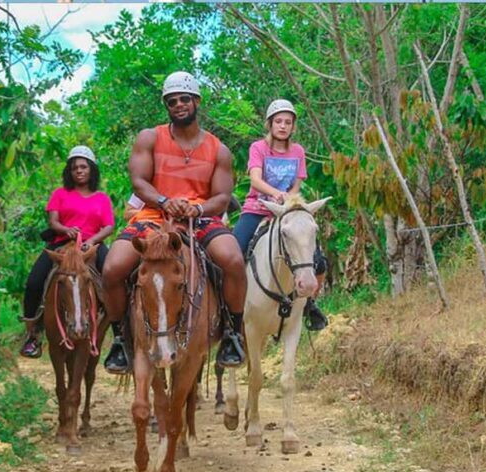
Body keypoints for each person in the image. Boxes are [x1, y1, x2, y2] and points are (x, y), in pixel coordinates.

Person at [101, 71, 248, 374]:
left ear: (196, 101)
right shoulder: (150, 138)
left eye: (184, 99)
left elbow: (221, 197)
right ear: (167, 106)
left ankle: (233, 334)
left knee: (233, 259)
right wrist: (165, 202)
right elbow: (139, 181)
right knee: (113, 268)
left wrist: (196, 208)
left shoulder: (219, 149)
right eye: (172, 101)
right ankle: (119, 341)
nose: (178, 104)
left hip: (200, 219)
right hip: (154, 216)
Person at [232, 99, 328, 331]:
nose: (283, 126)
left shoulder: (297, 151)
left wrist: (289, 200)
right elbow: (255, 179)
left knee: (318, 260)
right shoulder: (258, 148)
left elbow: (296, 185)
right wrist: (276, 195)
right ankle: (231, 312)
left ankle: (310, 304)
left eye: (287, 122)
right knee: (233, 253)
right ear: (270, 124)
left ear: (293, 126)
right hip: (257, 208)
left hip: (288, 212)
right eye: (278, 121)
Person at [20, 146, 115, 357]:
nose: (79, 171)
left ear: (91, 169)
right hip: (61, 244)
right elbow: (53, 221)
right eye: (74, 168)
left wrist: (91, 242)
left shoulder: (102, 198)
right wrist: (66, 229)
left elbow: (109, 226)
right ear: (69, 172)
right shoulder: (60, 194)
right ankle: (33, 334)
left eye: (83, 167)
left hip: (91, 246)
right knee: (35, 281)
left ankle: (120, 337)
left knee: (114, 278)